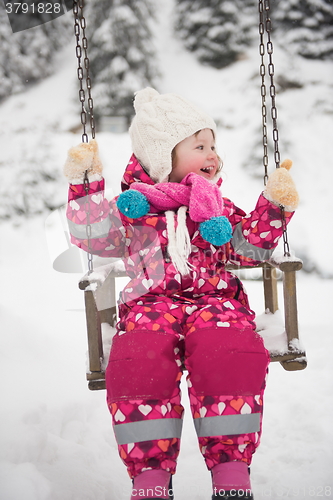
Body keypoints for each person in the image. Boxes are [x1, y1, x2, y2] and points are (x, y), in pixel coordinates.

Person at [64, 88, 299, 500]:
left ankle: (230, 469)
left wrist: (275, 206)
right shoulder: (132, 209)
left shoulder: (216, 206)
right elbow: (94, 238)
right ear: (163, 157)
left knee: (227, 349)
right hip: (149, 306)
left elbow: (247, 247)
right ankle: (150, 475)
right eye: (200, 145)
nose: (213, 154)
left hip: (216, 303)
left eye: (214, 145)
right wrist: (86, 187)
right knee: (139, 360)